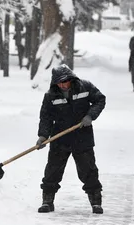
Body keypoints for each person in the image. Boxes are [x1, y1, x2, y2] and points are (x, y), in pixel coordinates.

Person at [35, 64, 106, 214]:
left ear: (71, 79)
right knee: (52, 171)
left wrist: (90, 116)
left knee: (88, 170)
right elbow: (45, 117)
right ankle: (47, 201)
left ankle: (96, 202)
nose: (63, 85)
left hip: (82, 137)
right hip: (60, 138)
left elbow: (100, 100)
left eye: (65, 81)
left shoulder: (84, 87)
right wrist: (43, 136)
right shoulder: (51, 95)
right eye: (59, 82)